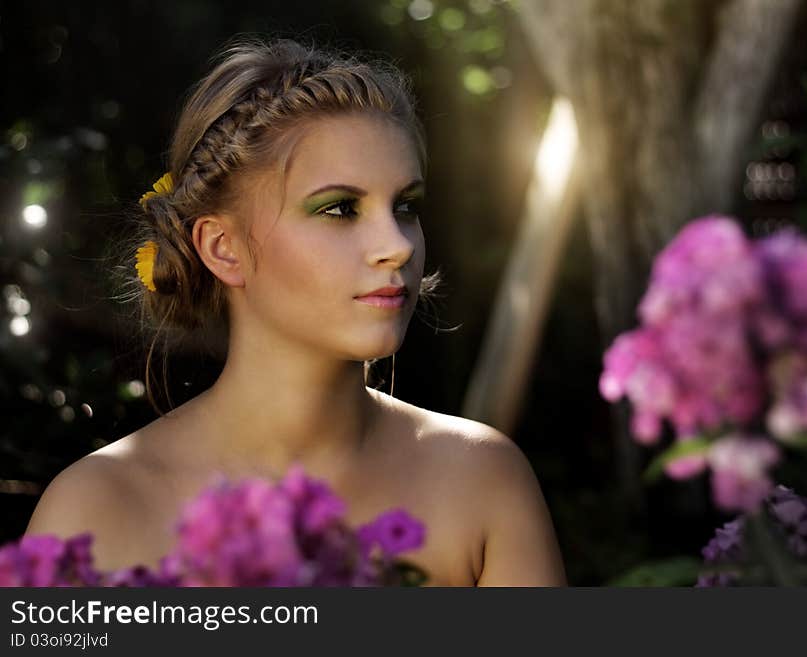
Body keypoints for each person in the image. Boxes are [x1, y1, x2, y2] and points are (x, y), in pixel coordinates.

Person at [25, 37, 567, 586]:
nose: (397, 245)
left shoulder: (480, 483)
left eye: (404, 206)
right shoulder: (93, 514)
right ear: (222, 248)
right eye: (339, 209)